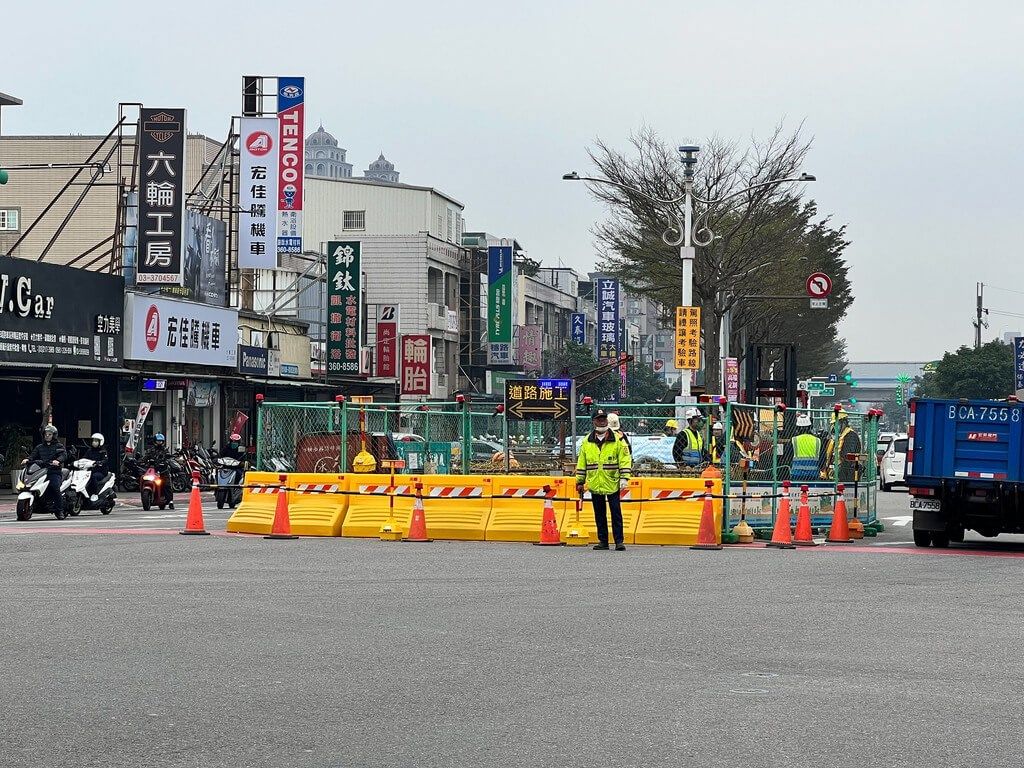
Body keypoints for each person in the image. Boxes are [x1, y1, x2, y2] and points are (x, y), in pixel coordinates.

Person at [576, 409, 633, 551]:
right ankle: (603, 541)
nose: (602, 421)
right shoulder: (587, 441)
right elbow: (581, 463)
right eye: (599, 419)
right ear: (593, 421)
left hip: (612, 481)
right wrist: (580, 481)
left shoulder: (618, 439)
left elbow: (625, 459)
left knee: (616, 513)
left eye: (603, 418)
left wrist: (624, 477)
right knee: (599, 514)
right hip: (595, 483)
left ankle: (619, 541)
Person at [27, 424, 67, 516]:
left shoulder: (59, 446)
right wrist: (27, 459)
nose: (47, 436)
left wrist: (58, 460)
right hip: (41, 472)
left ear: (54, 435)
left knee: (55, 487)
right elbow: (33, 455)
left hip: (54, 472)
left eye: (49, 434)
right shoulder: (39, 447)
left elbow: (64, 455)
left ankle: (59, 510)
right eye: (46, 434)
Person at [824, 409, 862, 482]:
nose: (834, 426)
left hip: (845, 476)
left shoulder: (851, 436)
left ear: (844, 423)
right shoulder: (839, 436)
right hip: (835, 475)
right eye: (833, 424)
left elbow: (847, 457)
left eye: (836, 423)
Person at [141, 433, 174, 507]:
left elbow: (169, 458)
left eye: (161, 441)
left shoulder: (165, 450)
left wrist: (165, 463)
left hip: (163, 470)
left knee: (167, 484)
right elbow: (144, 458)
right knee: (143, 478)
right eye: (158, 441)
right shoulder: (150, 450)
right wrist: (141, 462)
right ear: (154, 441)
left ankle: (170, 501)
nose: (159, 443)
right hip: (152, 470)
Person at [789, 413, 822, 482]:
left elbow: (788, 457)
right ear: (810, 427)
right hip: (813, 474)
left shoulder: (794, 440)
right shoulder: (817, 440)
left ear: (798, 428)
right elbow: (823, 458)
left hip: (797, 474)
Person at [82, 432, 109, 501]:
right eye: (93, 440)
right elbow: (84, 458)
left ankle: (95, 493)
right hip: (90, 470)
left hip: (101, 471)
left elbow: (105, 460)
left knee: (93, 476)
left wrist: (99, 462)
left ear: (100, 442)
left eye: (96, 441)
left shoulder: (103, 451)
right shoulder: (89, 450)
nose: (94, 442)